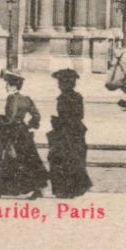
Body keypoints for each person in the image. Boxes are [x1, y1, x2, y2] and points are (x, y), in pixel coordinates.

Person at [0, 71, 48, 199]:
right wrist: (29, 125)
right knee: (27, 161)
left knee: (11, 161)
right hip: (24, 133)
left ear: (14, 87)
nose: (6, 87)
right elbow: (36, 115)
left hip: (12, 133)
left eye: (8, 84)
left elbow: (10, 118)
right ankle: (37, 189)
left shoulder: (12, 98)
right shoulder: (26, 99)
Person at [46, 69, 92, 198]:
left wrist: (57, 121)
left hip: (66, 132)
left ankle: (64, 190)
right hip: (76, 131)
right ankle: (73, 189)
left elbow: (67, 116)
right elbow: (80, 115)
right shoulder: (78, 96)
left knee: (61, 159)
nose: (59, 85)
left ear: (65, 84)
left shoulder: (63, 98)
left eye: (60, 82)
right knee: (74, 159)